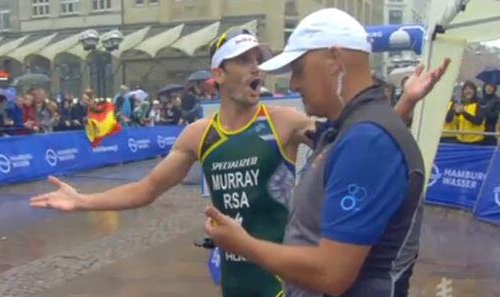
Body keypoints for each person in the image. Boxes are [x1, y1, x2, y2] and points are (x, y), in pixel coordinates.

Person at [30, 24, 448, 297]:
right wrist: (82, 200)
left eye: (259, 60)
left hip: (287, 282)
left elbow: (359, 146)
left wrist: (406, 101)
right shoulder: (200, 135)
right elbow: (146, 189)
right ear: (218, 74)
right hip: (235, 283)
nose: (258, 68)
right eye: (245, 61)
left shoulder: (284, 122)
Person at [203, 9, 450, 297]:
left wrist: (242, 244)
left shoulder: (368, 140)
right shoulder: (351, 130)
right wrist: (405, 103)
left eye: (298, 69)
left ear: (334, 60)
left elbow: (331, 274)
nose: (293, 84)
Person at [444, 80, 485, 145]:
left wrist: (464, 113)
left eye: (470, 89)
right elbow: (451, 121)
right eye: (465, 89)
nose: (468, 91)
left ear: (474, 91)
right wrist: (456, 113)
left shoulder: (480, 103)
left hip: (475, 141)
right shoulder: (462, 103)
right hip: (461, 141)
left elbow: (478, 121)